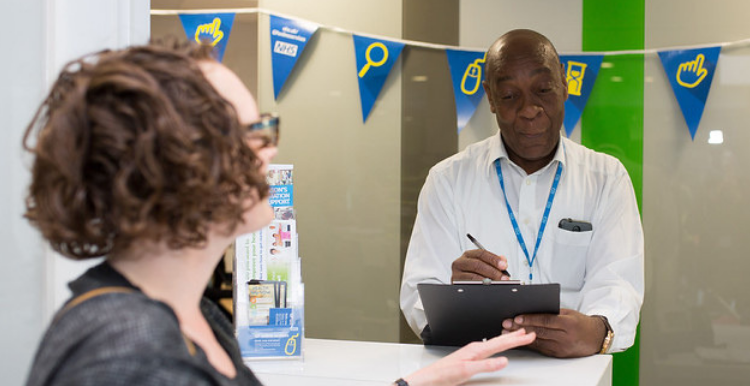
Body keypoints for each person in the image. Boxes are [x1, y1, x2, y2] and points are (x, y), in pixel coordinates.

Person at [23, 41, 535, 386]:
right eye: (253, 133)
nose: (270, 151)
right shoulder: (129, 355)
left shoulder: (188, 314)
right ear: (172, 165)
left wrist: (415, 381)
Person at [400, 29, 644, 358]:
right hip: (477, 372)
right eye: (510, 96)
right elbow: (418, 293)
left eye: (543, 90)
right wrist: (452, 296)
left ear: (565, 83)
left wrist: (597, 329)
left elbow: (619, 283)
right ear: (489, 97)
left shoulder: (606, 178)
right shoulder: (448, 180)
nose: (529, 110)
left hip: (573, 373)